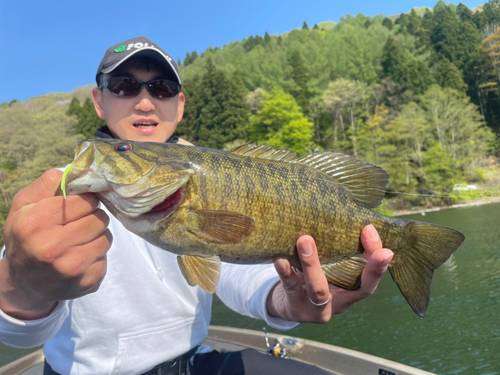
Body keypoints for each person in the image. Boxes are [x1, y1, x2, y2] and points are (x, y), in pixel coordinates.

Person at [0, 36, 394, 375]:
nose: (144, 102)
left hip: (194, 362)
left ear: (180, 104)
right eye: (123, 86)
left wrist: (285, 300)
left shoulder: (211, 173)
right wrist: (23, 288)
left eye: (161, 89)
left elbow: (233, 272)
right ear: (98, 101)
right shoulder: (56, 196)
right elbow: (16, 332)